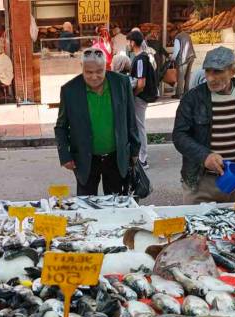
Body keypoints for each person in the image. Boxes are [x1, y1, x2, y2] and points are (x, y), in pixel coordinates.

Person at [172, 47, 235, 204]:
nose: (210, 78)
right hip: (200, 183)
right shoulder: (193, 98)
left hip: (234, 181)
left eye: (217, 72)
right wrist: (204, 156)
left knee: (234, 225)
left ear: (232, 71)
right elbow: (179, 136)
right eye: (207, 71)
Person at [54, 48, 140, 196]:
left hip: (116, 156)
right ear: (82, 68)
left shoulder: (121, 83)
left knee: (116, 204)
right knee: (86, 205)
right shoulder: (70, 90)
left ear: (106, 66)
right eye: (88, 72)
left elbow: (130, 118)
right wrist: (65, 156)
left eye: (99, 71)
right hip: (85, 157)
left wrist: (134, 149)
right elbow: (60, 126)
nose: (94, 76)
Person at [128, 30, 158, 169]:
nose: (128, 44)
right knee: (139, 125)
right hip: (142, 97)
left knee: (140, 126)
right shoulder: (144, 56)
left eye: (129, 41)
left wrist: (133, 94)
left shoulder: (140, 59)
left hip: (140, 97)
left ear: (133, 42)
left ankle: (143, 158)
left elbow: (141, 83)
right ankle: (141, 156)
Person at [171, 31, 196, 99]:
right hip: (191, 56)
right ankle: (186, 93)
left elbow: (176, 50)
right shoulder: (187, 35)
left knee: (180, 77)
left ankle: (179, 94)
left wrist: (172, 58)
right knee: (187, 76)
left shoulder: (177, 37)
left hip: (183, 58)